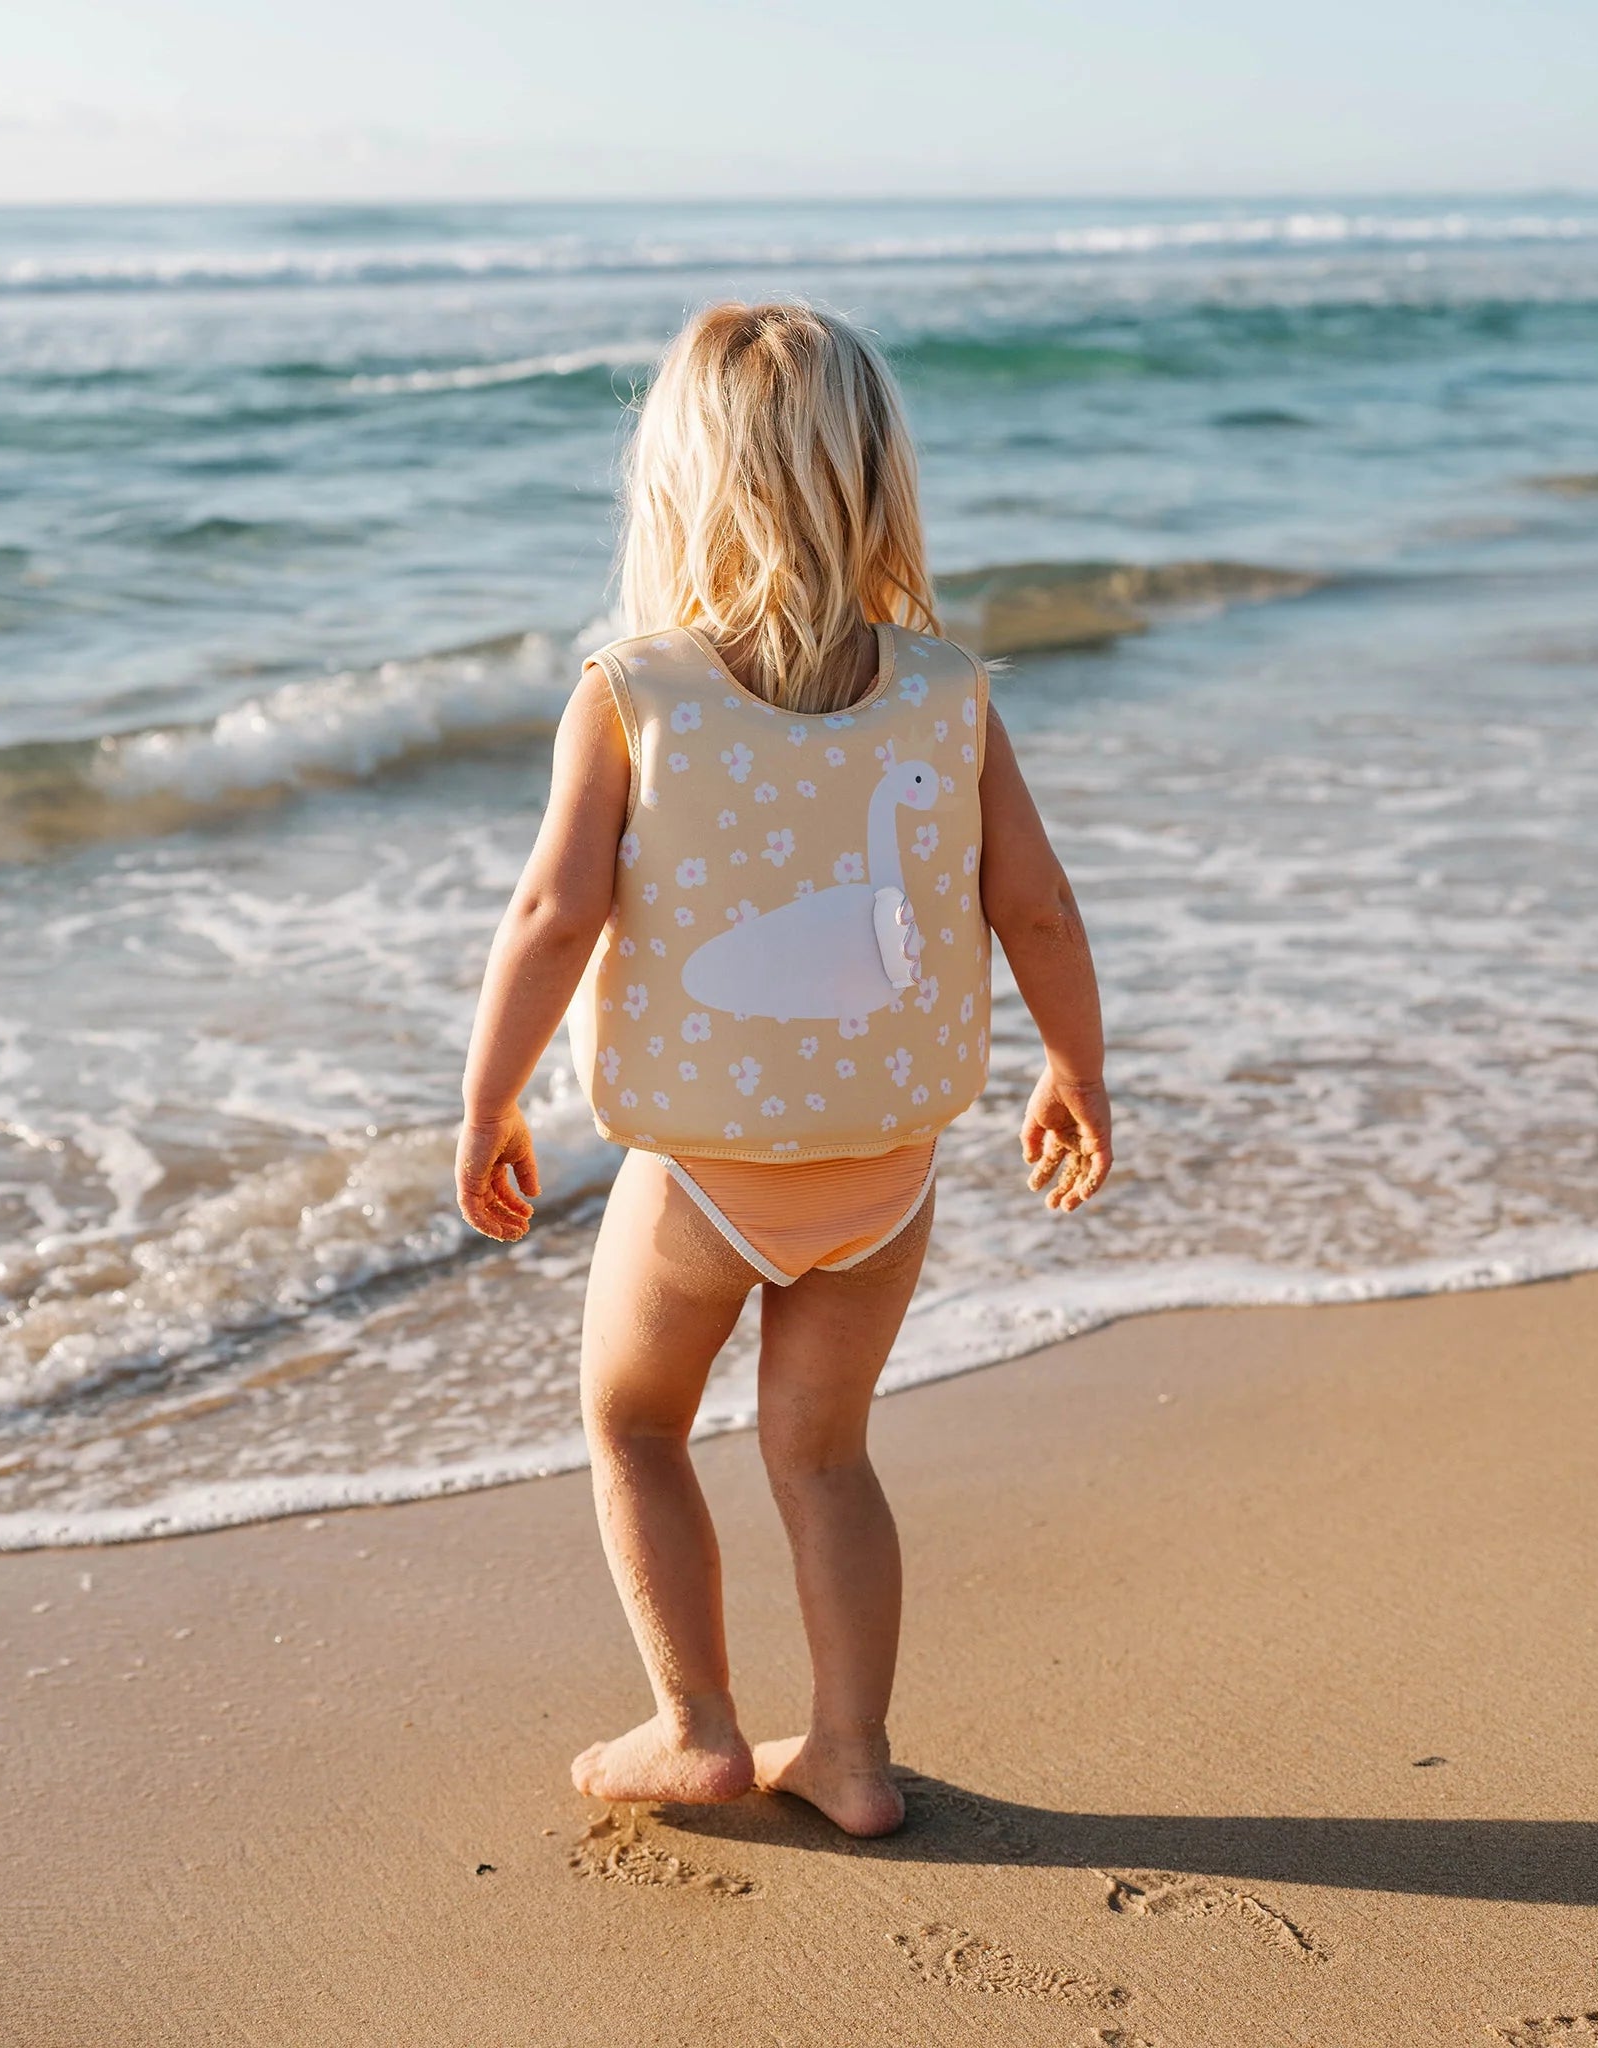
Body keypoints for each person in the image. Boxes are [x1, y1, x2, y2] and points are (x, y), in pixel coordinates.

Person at [455, 301, 1110, 1838]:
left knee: (633, 1424)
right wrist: (1072, 1066)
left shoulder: (634, 694)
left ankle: (694, 1728)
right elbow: (1037, 902)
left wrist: (490, 1100)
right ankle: (853, 1755)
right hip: (886, 1173)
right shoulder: (949, 692)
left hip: (703, 1174)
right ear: (878, 477)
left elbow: (553, 913)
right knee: (826, 1455)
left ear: (678, 482)